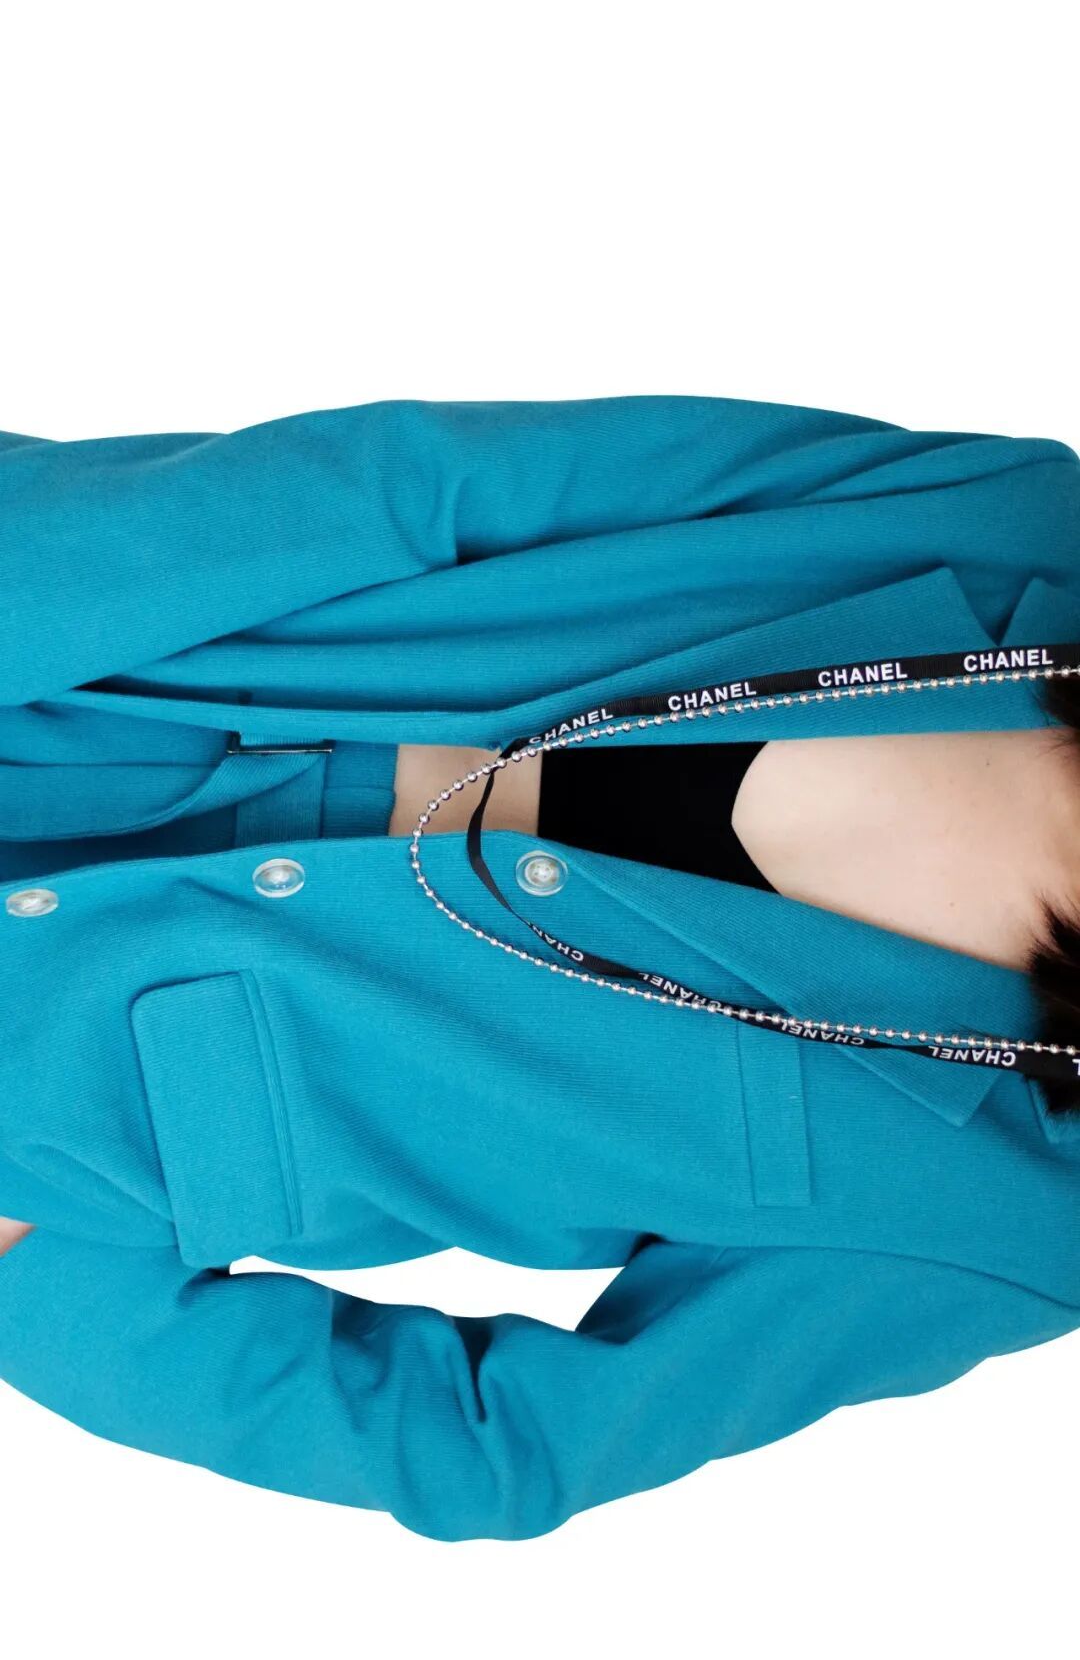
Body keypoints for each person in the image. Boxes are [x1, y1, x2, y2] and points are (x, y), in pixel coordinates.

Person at [2, 393, 1079, 1543]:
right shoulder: (1018, 526)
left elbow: (500, 1446)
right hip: (81, 674)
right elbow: (419, 484)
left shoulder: (1029, 1211)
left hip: (50, 1106)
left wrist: (34, 1276)